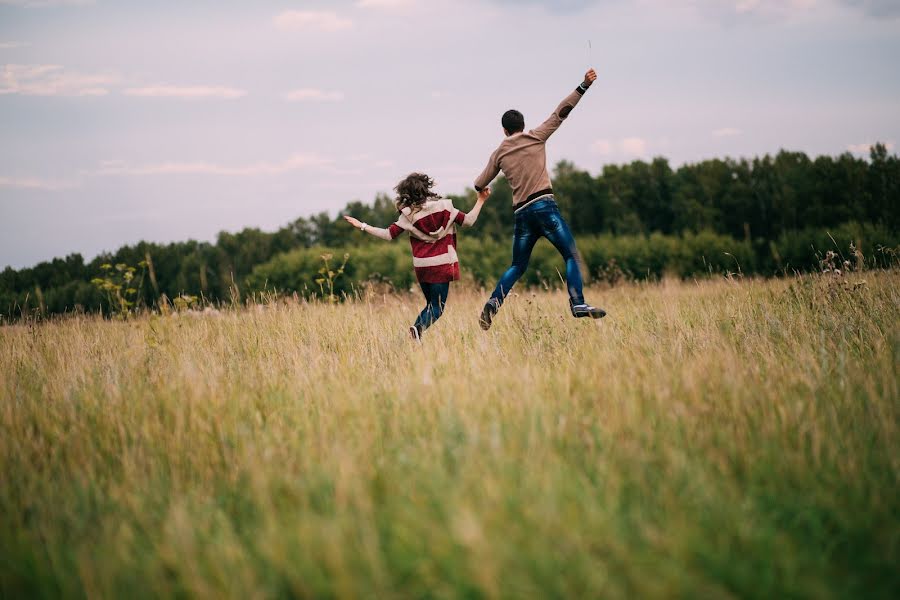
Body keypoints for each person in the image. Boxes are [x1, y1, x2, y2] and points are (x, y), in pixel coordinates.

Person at [473, 68, 607, 330]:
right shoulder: (537, 135)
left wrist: (483, 191)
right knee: (571, 256)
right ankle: (578, 302)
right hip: (545, 207)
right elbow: (562, 112)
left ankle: (492, 304)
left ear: (504, 130)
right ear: (522, 126)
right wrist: (583, 85)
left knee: (517, 266)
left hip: (522, 215)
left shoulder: (499, 153)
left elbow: (479, 182)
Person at [344, 172, 489, 340]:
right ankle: (417, 331)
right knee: (437, 308)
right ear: (425, 188)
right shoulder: (445, 207)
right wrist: (481, 200)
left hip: (423, 267)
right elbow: (469, 221)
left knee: (431, 306)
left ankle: (415, 334)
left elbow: (387, 234)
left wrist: (362, 225)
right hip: (442, 264)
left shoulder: (408, 216)